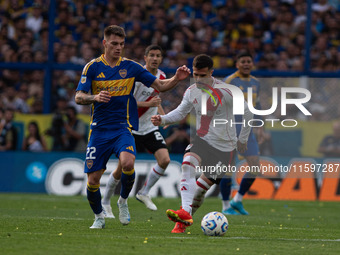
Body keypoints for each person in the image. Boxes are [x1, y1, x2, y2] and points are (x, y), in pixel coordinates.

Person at [75, 25, 190, 229]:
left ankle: (123, 202)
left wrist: (176, 79)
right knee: (93, 180)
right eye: (114, 44)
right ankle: (99, 216)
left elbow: (160, 86)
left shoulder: (131, 67)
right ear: (105, 43)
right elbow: (79, 97)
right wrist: (94, 97)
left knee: (128, 164)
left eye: (121, 44)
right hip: (99, 130)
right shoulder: (92, 67)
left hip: (122, 127)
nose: (118, 48)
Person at [151, 54, 252, 233]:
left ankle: (186, 214)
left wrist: (242, 139)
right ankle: (182, 218)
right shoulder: (191, 91)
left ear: (211, 73)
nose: (198, 79)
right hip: (202, 141)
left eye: (202, 75)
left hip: (225, 149)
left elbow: (248, 113)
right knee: (187, 164)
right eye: (195, 75)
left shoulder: (227, 91)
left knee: (199, 191)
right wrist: (163, 119)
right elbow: (181, 112)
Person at [101, 45, 171, 217]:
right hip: (131, 127)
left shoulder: (161, 76)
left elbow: (156, 99)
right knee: (121, 169)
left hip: (149, 127)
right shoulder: (136, 75)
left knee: (165, 160)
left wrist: (163, 117)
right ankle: (105, 201)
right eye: (152, 55)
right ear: (145, 57)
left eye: (158, 56)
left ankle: (144, 192)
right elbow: (127, 101)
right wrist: (149, 105)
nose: (155, 58)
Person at [219, 51, 265, 215]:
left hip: (247, 129)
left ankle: (237, 200)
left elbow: (257, 106)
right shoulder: (230, 81)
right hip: (230, 128)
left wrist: (260, 127)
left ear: (252, 64)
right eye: (243, 61)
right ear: (237, 64)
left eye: (248, 61)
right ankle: (225, 207)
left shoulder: (256, 82)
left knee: (254, 166)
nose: (246, 64)